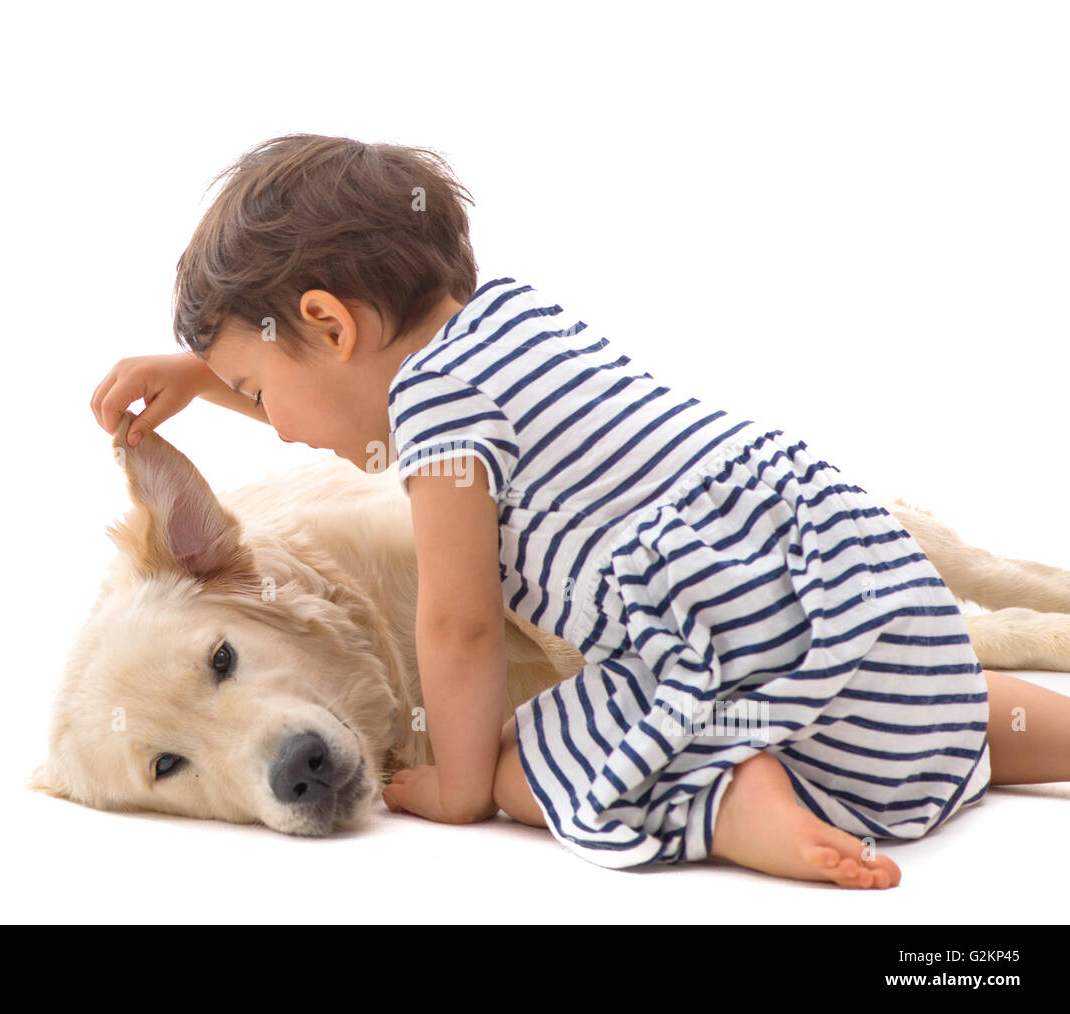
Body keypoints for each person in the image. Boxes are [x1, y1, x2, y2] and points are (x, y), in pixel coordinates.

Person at [91, 134, 1070, 887]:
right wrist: (206, 375)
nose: (273, 426)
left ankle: (739, 800)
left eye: (255, 393)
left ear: (327, 323)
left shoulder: (435, 427)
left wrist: (463, 787)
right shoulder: (515, 318)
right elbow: (341, 403)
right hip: (840, 552)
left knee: (532, 763)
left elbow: (462, 624)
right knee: (936, 696)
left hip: (725, 637)